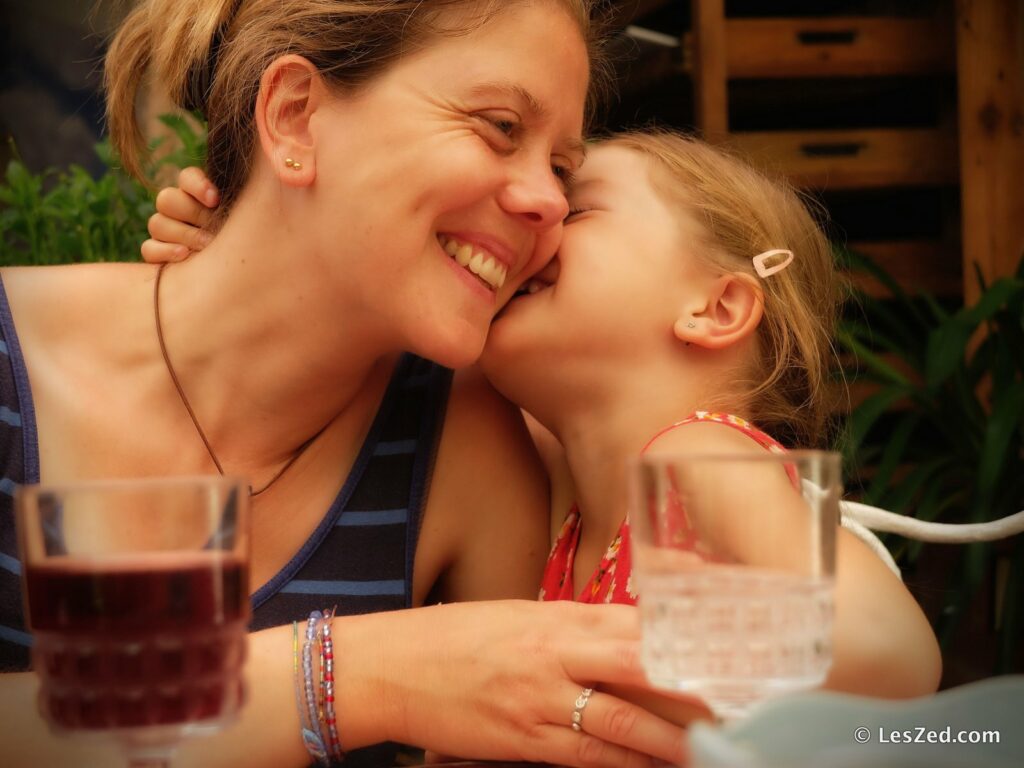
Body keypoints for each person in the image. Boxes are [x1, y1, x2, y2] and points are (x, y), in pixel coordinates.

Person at [0, 2, 691, 767]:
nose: (551, 202)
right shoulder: (13, 355)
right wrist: (351, 679)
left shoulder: (467, 454)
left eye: (563, 170)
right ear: (296, 117)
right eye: (499, 127)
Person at [149, 128, 943, 719]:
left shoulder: (697, 457)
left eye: (582, 208)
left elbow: (891, 656)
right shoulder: (566, 485)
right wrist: (253, 257)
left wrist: (581, 670)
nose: (539, 228)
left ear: (716, 307)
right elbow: (394, 358)